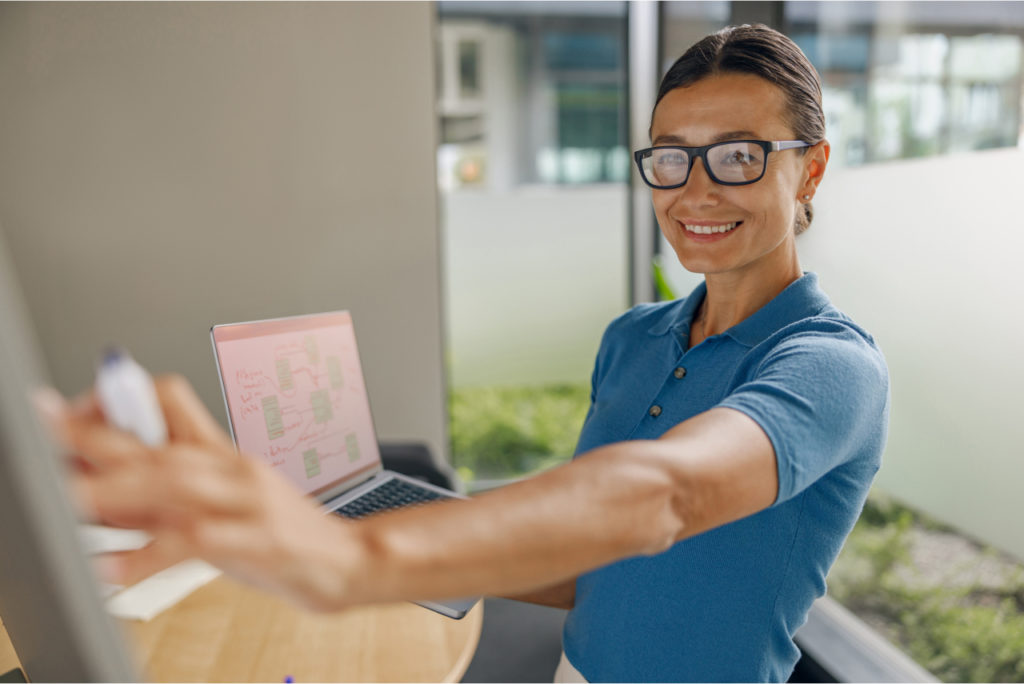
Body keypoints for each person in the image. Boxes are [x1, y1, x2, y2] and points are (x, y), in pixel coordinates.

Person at [47, 24, 888, 683]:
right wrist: (325, 522)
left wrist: (351, 557)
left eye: (739, 156)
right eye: (670, 158)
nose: (695, 191)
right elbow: (584, 565)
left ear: (809, 171)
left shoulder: (831, 366)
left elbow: (665, 496)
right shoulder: (634, 337)